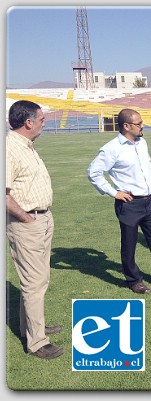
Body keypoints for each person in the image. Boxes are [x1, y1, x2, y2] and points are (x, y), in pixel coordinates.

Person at [87, 108, 151, 294]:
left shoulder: (142, 143)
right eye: (139, 123)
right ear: (126, 126)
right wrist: (113, 192)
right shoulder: (112, 148)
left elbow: (146, 164)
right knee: (129, 245)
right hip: (129, 204)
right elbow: (93, 172)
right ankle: (134, 280)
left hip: (149, 202)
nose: (143, 126)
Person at [6, 100, 64, 359]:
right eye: (41, 119)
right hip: (26, 223)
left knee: (39, 280)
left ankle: (32, 327)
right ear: (28, 122)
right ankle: (37, 342)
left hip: (41, 219)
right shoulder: (9, 148)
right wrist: (26, 218)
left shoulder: (26, 146)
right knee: (33, 283)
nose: (44, 122)